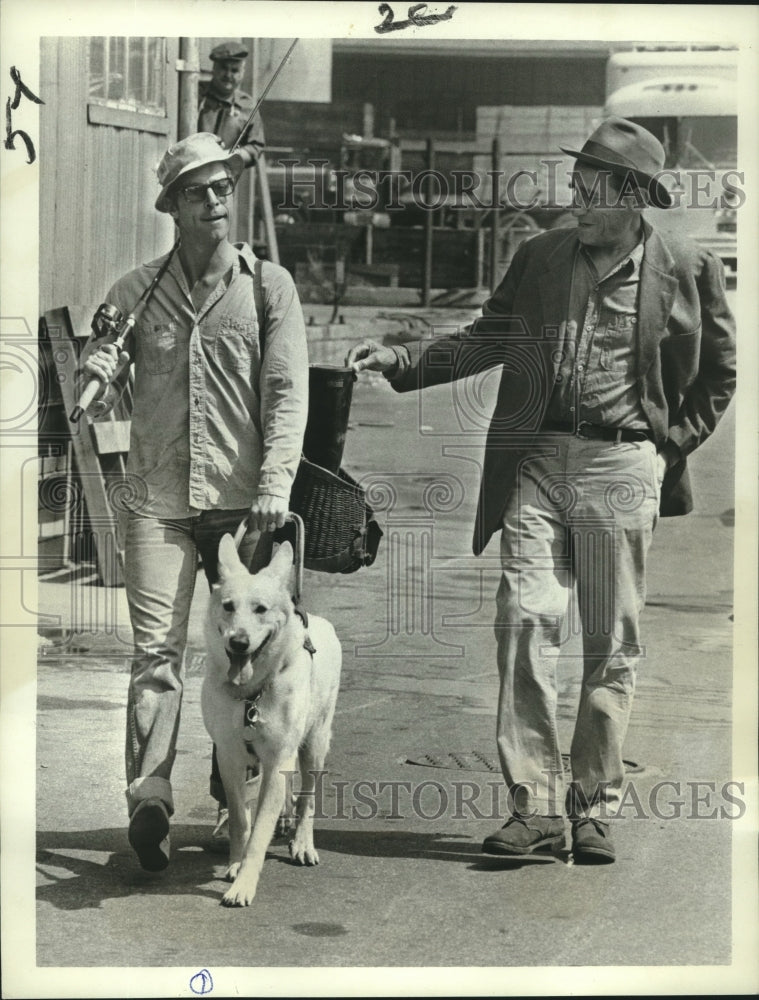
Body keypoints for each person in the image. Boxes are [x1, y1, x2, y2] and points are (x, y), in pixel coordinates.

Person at [346, 117, 736, 864]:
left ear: (630, 198)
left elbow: (718, 372)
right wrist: (401, 360)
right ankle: (532, 806)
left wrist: (665, 449)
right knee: (524, 618)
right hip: (535, 458)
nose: (574, 205)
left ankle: (591, 808)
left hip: (621, 467)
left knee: (608, 642)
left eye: (589, 194)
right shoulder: (539, 257)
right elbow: (487, 336)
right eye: (574, 189)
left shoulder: (685, 266)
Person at [78, 131, 308, 871]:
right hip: (157, 501)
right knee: (155, 654)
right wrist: (96, 374)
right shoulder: (135, 291)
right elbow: (101, 366)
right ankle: (149, 797)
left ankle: (228, 780)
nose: (215, 201)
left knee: (249, 653)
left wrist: (275, 485)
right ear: (171, 205)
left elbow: (285, 394)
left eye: (222, 188)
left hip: (244, 507)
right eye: (197, 191)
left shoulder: (269, 287)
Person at [198, 41, 265, 169]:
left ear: (242, 72)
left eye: (234, 70)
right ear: (214, 68)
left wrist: (229, 156)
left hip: (223, 179)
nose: (228, 75)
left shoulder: (248, 106)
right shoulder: (195, 95)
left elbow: (256, 147)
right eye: (223, 68)